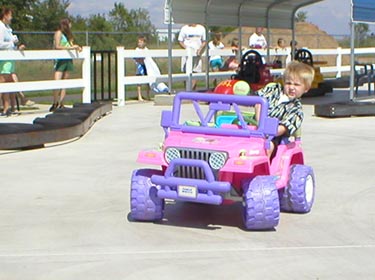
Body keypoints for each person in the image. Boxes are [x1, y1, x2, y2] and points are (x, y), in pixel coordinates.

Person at [254, 61, 315, 158]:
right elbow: (258, 102)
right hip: (254, 128)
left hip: (274, 137)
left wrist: (266, 132)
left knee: (267, 147)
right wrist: (259, 123)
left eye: (296, 85)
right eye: (288, 83)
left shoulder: (296, 110)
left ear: (306, 88)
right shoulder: (273, 89)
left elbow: (283, 128)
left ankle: (265, 170)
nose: (291, 87)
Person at [0, 7, 28, 116]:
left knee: (9, 82)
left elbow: (10, 45)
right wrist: (11, 43)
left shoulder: (7, 28)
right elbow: (1, 44)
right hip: (4, 59)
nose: (11, 18)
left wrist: (17, 47)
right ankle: (7, 107)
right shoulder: (1, 27)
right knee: (4, 81)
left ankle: (10, 107)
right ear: (5, 15)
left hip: (9, 58)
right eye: (10, 15)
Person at [50, 18, 81, 112]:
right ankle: (55, 102)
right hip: (60, 60)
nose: (71, 26)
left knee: (65, 82)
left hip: (68, 59)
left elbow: (71, 44)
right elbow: (57, 46)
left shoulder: (68, 35)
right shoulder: (58, 33)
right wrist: (70, 48)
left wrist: (76, 47)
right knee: (57, 81)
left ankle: (61, 102)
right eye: (70, 24)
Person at [178, 23, 207, 90]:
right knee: (186, 72)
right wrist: (186, 49)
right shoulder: (184, 28)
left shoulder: (201, 28)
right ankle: (187, 90)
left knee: (196, 72)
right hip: (187, 54)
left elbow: (204, 41)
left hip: (197, 53)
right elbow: (180, 41)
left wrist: (200, 49)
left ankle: (192, 90)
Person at [134, 36, 150, 101]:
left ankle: (147, 95)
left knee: (148, 81)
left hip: (146, 66)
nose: (139, 43)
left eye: (141, 42)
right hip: (139, 66)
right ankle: (139, 96)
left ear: (144, 42)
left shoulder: (146, 49)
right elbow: (135, 58)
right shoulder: (137, 50)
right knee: (139, 82)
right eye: (138, 42)